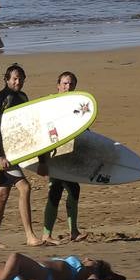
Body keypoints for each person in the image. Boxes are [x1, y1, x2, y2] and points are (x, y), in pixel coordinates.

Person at [0, 63, 45, 249]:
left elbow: (27, 127)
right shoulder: (0, 98)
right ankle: (30, 236)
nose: (18, 82)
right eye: (14, 79)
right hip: (4, 154)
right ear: (7, 79)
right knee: (25, 188)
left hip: (15, 153)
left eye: (20, 78)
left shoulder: (23, 97)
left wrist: (40, 157)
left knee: (2, 194)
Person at [41, 70, 84, 243]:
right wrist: (43, 160)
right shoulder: (51, 104)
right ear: (58, 86)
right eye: (65, 83)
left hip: (69, 154)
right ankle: (50, 234)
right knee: (58, 191)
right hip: (55, 155)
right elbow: (45, 131)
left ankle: (67, 232)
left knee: (67, 189)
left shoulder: (76, 105)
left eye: (71, 83)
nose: (68, 86)